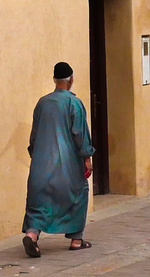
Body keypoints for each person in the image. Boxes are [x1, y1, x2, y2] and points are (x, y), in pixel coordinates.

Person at [21, 61, 95, 257]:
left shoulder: (42, 103)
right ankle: (76, 239)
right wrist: (87, 158)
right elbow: (80, 134)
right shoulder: (74, 103)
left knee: (38, 203)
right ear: (71, 80)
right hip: (67, 166)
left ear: (54, 80)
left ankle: (32, 235)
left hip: (41, 165)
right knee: (79, 193)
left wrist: (35, 156)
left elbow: (34, 134)